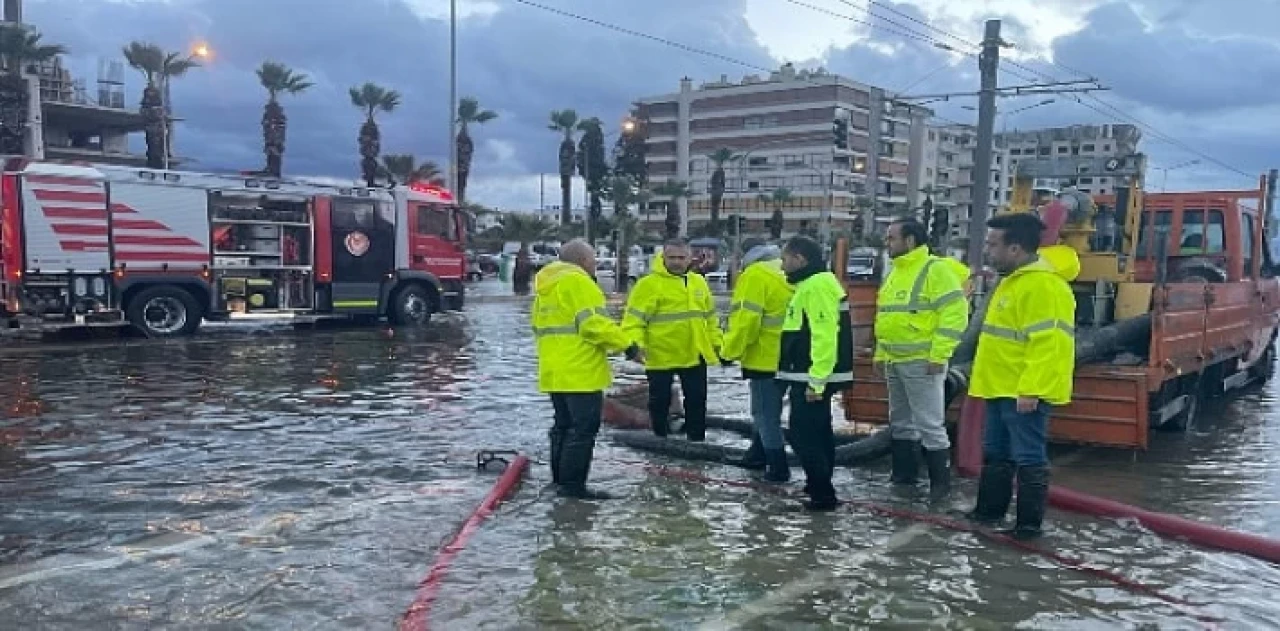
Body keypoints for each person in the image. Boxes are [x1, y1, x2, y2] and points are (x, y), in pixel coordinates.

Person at [966, 213, 1077, 539]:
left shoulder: (1044, 286)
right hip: (1000, 386)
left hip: (1022, 391)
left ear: (1014, 249)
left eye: (993, 245)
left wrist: (1031, 389)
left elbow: (1050, 345)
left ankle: (1028, 527)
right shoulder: (1013, 282)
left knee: (1029, 456)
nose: (988, 251)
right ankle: (988, 514)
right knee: (996, 452)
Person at [532, 239, 643, 500]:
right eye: (593, 261)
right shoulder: (580, 283)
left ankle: (559, 483)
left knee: (562, 426)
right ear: (583, 261)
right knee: (583, 429)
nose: (595, 266)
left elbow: (538, 328)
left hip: (554, 370)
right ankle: (573, 487)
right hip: (581, 371)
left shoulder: (545, 288)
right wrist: (629, 347)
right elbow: (594, 325)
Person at [875, 219, 969, 499]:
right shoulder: (896, 272)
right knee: (901, 421)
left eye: (891, 238)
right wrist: (881, 354)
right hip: (895, 360)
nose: (887, 242)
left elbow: (954, 312)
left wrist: (939, 354)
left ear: (910, 241)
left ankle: (940, 488)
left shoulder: (934, 269)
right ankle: (905, 480)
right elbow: (887, 317)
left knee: (929, 424)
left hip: (922, 361)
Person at [777, 236, 855, 511]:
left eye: (785, 259)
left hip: (812, 376)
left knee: (803, 434)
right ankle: (817, 484)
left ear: (800, 259)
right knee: (819, 432)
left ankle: (823, 495)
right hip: (810, 375)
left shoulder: (817, 286)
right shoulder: (814, 284)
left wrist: (816, 381)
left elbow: (824, 336)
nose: (782, 266)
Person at [623, 239, 723, 441]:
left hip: (694, 353)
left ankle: (697, 440)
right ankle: (660, 437)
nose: (677, 262)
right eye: (672, 258)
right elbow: (633, 321)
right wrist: (634, 347)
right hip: (661, 354)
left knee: (697, 400)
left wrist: (719, 345)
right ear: (663, 258)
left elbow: (710, 319)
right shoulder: (648, 285)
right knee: (659, 400)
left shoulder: (698, 282)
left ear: (690, 258)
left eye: (681, 257)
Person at [720, 243, 795, 482]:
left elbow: (747, 321)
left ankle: (777, 467)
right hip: (793, 358)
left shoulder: (754, 275)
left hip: (764, 358)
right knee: (771, 411)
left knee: (764, 414)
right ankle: (756, 455)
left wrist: (728, 352)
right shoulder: (789, 272)